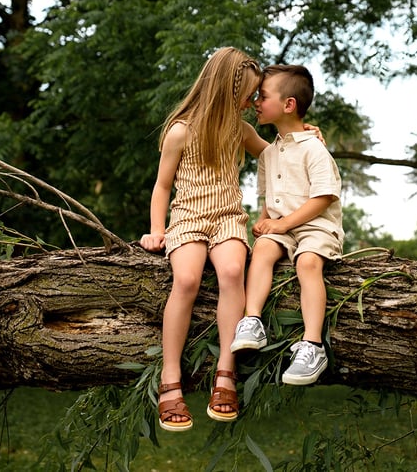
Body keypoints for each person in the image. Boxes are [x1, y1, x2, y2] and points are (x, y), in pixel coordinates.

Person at [139, 47, 266, 432]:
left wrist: (302, 135)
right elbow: (162, 186)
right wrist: (157, 229)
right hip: (188, 218)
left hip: (228, 218)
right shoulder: (181, 130)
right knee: (188, 279)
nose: (252, 102)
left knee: (231, 273)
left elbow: (276, 156)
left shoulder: (240, 130)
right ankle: (170, 375)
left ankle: (225, 372)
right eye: (247, 94)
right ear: (225, 90)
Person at [230, 64, 343, 386]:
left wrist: (284, 225)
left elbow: (323, 198)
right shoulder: (268, 154)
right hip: (283, 226)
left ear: (288, 104)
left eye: (263, 96)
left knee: (308, 262)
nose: (255, 102)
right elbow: (269, 197)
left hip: (317, 226)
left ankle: (312, 345)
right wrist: (265, 221)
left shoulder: (314, 149)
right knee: (262, 250)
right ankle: (251, 320)